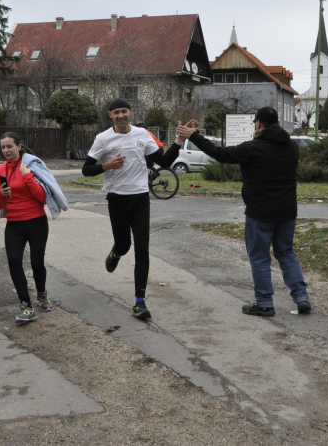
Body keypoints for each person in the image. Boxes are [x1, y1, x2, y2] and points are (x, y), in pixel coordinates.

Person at [176, 107, 311, 317]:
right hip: (287, 211)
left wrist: (195, 136)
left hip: (260, 212)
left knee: (259, 257)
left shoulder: (253, 148)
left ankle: (265, 303)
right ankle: (301, 297)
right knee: (286, 252)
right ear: (277, 123)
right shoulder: (292, 146)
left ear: (258, 124)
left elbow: (220, 154)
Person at [81, 99, 186, 320]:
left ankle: (140, 301)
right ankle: (116, 252)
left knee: (142, 247)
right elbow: (86, 169)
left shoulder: (142, 134)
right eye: (117, 112)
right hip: (117, 199)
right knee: (124, 244)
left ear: (131, 112)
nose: (121, 115)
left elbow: (164, 161)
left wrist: (179, 140)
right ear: (110, 114)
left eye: (125, 111)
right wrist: (106, 166)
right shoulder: (103, 139)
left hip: (140, 198)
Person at [0, 132, 52, 324]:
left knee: (37, 263)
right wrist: (1, 193)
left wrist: (27, 177)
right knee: (13, 260)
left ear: (19, 147)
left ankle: (42, 293)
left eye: (9, 146)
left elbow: (42, 197)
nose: (6, 150)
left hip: (36, 221)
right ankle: (25, 304)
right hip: (14, 223)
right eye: (3, 147)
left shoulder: (31, 167)